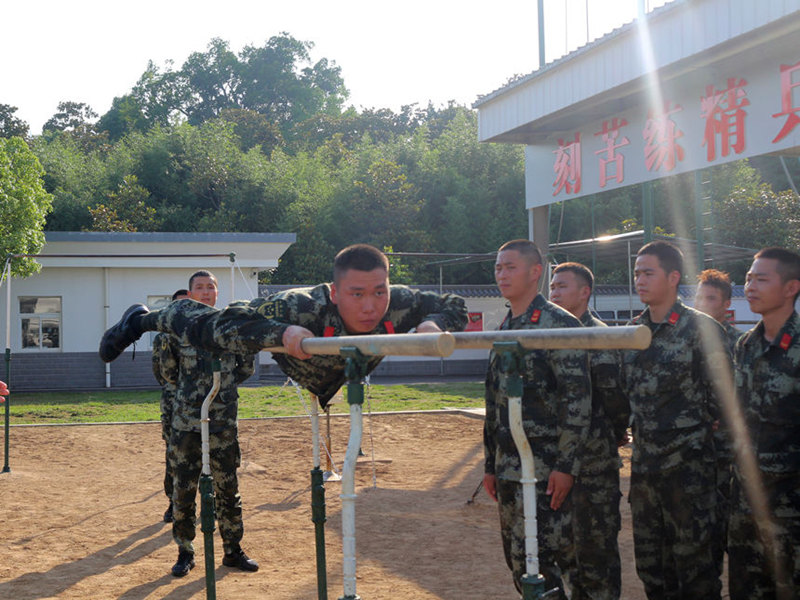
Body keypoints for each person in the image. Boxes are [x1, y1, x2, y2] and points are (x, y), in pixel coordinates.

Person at [99, 244, 468, 406]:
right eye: (357, 295)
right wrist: (281, 333)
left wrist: (434, 324)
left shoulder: (400, 302)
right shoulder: (300, 306)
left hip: (330, 374)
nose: (371, 306)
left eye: (379, 292)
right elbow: (233, 321)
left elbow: (451, 303)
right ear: (336, 293)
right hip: (267, 331)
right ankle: (139, 320)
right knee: (198, 323)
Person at [621, 240, 729, 599]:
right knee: (652, 571)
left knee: (696, 574)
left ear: (673, 277)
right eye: (637, 273)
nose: (640, 280)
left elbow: (727, 404)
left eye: (648, 273)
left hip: (690, 476)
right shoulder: (633, 333)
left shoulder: (700, 329)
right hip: (646, 475)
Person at [483, 240, 591, 598]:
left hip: (545, 471)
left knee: (548, 563)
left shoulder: (558, 324)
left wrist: (566, 464)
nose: (501, 274)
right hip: (508, 467)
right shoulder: (506, 326)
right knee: (518, 562)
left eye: (510, 267)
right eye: (498, 267)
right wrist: (489, 463)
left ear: (535, 272)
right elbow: (494, 400)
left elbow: (576, 399)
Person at [168, 271, 257, 577]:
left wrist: (222, 391)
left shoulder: (232, 328)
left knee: (228, 489)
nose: (206, 293)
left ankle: (233, 551)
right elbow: (167, 372)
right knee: (184, 490)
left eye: (211, 288)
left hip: (222, 421)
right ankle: (185, 552)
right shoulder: (178, 331)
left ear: (217, 293)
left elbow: (246, 367)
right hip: (186, 422)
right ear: (191, 295)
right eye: (200, 288)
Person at [549, 262, 629, 600]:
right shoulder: (547, 338)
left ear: (584, 293)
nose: (553, 292)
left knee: (596, 554)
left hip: (593, 465)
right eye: (551, 287)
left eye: (561, 287)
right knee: (563, 550)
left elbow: (615, 402)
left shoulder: (600, 338)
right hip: (555, 462)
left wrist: (614, 434)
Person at [729, 247, 800, 599]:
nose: (750, 286)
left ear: (790, 288)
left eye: (761, 279)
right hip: (747, 507)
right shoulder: (746, 345)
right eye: (748, 278)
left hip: (791, 512)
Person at [694, 268, 743, 570]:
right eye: (698, 296)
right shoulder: (683, 340)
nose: (701, 303)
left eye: (710, 298)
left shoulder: (739, 344)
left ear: (726, 305)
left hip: (728, 456)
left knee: (732, 531)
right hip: (694, 455)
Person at [152, 288, 189, 524]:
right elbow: (159, 371)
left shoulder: (206, 334)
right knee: (173, 454)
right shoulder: (162, 338)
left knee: (206, 453)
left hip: (202, 404)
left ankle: (209, 503)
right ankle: (173, 502)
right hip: (173, 402)